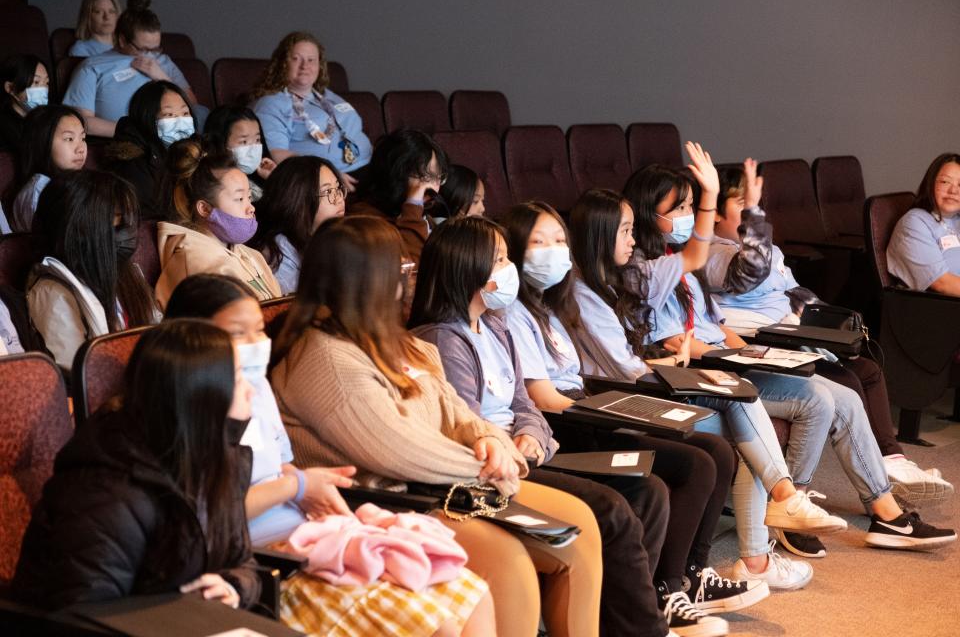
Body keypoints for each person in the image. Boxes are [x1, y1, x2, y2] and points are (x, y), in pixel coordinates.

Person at [270, 215, 604, 637]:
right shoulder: (324, 356)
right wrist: (487, 468)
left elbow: (455, 411)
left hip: (445, 486)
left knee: (581, 522)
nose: (406, 276)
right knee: (509, 562)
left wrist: (491, 440)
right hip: (383, 502)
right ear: (365, 279)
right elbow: (400, 449)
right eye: (397, 268)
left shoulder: (397, 339)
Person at [408, 215, 732, 637]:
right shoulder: (444, 339)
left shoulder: (494, 324)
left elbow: (525, 404)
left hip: (534, 449)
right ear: (468, 267)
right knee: (617, 503)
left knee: (651, 488)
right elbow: (467, 423)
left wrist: (533, 435)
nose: (508, 270)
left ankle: (635, 616)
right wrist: (517, 444)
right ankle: (644, 627)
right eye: (500, 260)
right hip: (498, 468)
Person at [622, 164, 957, 560]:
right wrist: (735, 353)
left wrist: (755, 352)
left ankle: (885, 513)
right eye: (679, 209)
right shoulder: (659, 268)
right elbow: (675, 341)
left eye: (692, 207)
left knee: (845, 394)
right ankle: (788, 505)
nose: (690, 218)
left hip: (732, 354)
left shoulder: (679, 263)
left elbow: (716, 325)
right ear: (648, 213)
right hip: (706, 370)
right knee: (817, 399)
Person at [164, 274, 497, 637]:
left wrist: (311, 495)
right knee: (438, 626)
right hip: (265, 562)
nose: (255, 344)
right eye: (236, 334)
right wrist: (298, 486)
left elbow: (280, 466)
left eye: (259, 331)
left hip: (310, 534)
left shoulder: (255, 388)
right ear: (192, 340)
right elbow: (206, 514)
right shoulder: (182, 411)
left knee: (473, 596)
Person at [567, 180, 846, 592]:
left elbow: (635, 354)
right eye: (623, 232)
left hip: (649, 379)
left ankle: (773, 522)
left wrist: (664, 359)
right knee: (743, 423)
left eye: (630, 230)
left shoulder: (617, 277)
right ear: (600, 236)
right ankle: (772, 524)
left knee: (742, 405)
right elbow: (622, 369)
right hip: (625, 397)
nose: (630, 240)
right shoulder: (589, 289)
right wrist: (663, 360)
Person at [501, 201, 768, 619]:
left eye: (558, 240)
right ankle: (664, 589)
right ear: (515, 251)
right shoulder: (515, 313)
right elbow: (545, 398)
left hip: (587, 405)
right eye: (540, 241)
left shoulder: (552, 306)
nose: (554, 250)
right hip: (568, 423)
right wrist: (618, 412)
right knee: (693, 464)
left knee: (716, 452)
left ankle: (690, 576)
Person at [705, 160, 953, 510]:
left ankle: (892, 461)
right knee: (846, 380)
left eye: (755, 203)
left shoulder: (769, 250)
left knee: (868, 370)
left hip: (794, 335)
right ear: (714, 213)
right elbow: (749, 271)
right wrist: (757, 214)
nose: (750, 212)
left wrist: (830, 326)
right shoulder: (714, 253)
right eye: (741, 204)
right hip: (766, 345)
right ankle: (875, 483)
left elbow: (793, 291)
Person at [12, 319, 261, 610]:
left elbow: (242, 560)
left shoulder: (216, 459)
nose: (250, 391)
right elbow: (85, 615)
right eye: (238, 378)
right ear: (202, 397)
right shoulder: (108, 492)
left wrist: (233, 586)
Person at [27, 170, 158, 369]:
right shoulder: (53, 292)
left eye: (129, 221)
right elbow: (82, 374)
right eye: (118, 221)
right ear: (80, 228)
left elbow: (159, 331)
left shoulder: (126, 272)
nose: (129, 230)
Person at [155, 141, 281, 309]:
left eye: (249, 198)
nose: (250, 208)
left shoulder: (251, 255)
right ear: (205, 209)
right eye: (239, 199)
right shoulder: (194, 262)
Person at [62, 0, 202, 138]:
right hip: (129, 142)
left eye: (155, 49)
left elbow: (194, 106)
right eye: (144, 49)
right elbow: (82, 121)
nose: (150, 55)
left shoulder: (163, 61)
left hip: (178, 133)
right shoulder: (93, 66)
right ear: (122, 40)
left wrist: (161, 77)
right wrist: (137, 133)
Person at [251, 31, 371, 179]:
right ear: (282, 64)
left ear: (319, 65)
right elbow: (278, 154)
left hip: (368, 163)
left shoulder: (326, 95)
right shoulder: (271, 104)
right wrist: (328, 175)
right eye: (296, 59)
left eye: (311, 60)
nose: (304, 66)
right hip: (331, 178)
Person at [249, 156, 344, 294]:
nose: (339, 199)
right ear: (298, 200)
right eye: (328, 192)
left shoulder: (335, 234)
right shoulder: (280, 252)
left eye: (338, 188)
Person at [350, 129, 447, 263]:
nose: (433, 187)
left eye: (437, 177)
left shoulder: (420, 212)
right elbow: (412, 269)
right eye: (424, 177)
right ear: (395, 177)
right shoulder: (365, 219)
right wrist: (413, 207)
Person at [105, 79, 198, 219]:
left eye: (185, 114)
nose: (180, 121)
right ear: (147, 118)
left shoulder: (198, 151)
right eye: (169, 115)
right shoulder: (133, 164)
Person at [887, 152, 960, 295]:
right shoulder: (914, 223)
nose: (954, 191)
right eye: (945, 182)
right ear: (930, 183)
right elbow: (942, 283)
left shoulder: (956, 218)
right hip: (938, 309)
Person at [11, 106, 88, 232]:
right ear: (42, 143)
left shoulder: (77, 181)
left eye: (83, 138)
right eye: (69, 139)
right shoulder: (39, 190)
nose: (81, 148)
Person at [203, 105, 277, 203]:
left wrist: (274, 179)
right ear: (219, 142)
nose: (253, 148)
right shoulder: (218, 188)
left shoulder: (259, 177)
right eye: (244, 142)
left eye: (257, 140)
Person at [0, 54, 49, 152]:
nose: (43, 90)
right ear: (10, 88)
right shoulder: (3, 129)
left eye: (47, 83)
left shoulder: (49, 117)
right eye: (36, 82)